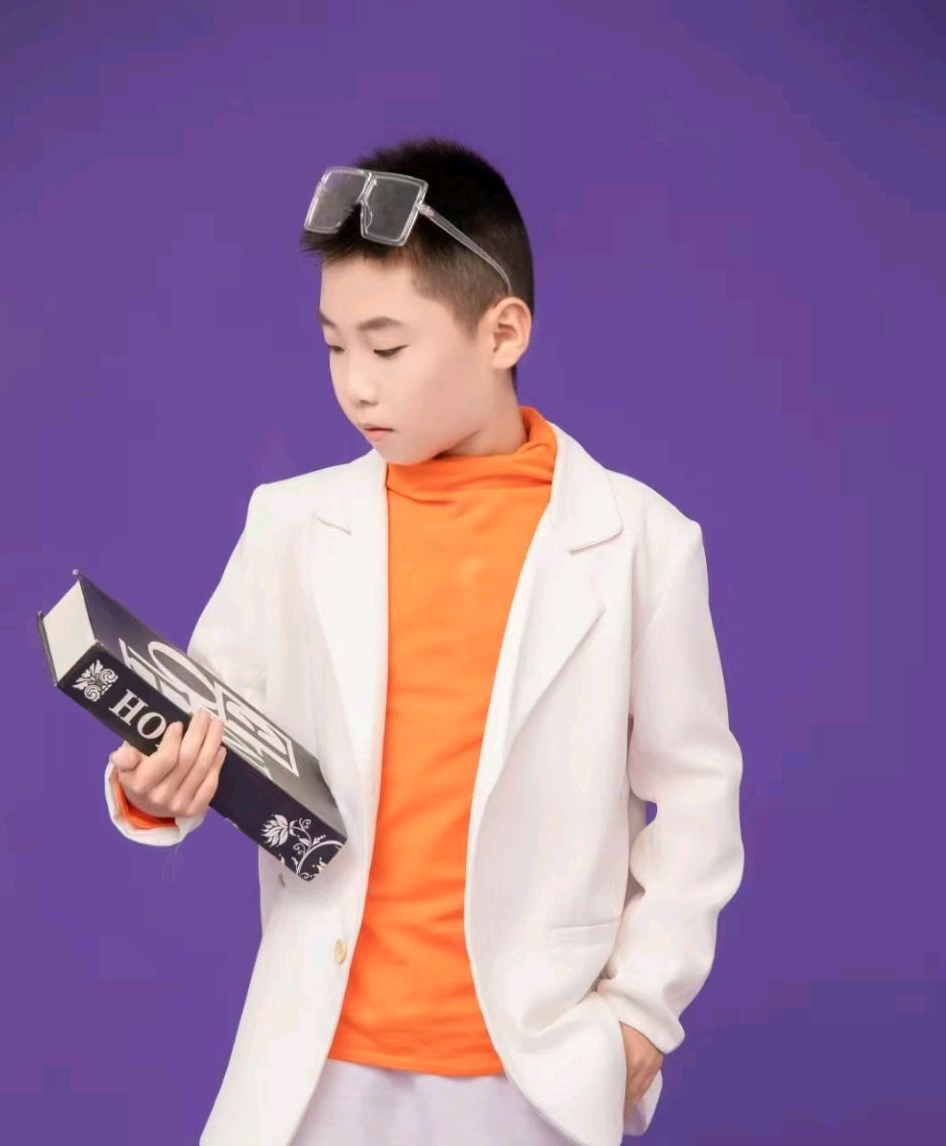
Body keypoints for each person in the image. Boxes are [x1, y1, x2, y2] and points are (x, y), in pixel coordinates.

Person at [105, 135, 745, 1146]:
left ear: (503, 332)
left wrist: (641, 1012)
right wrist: (157, 788)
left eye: (388, 347)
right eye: (333, 345)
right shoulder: (290, 525)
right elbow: (212, 728)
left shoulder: (641, 544)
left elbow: (698, 794)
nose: (355, 384)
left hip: (528, 1074)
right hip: (317, 1066)